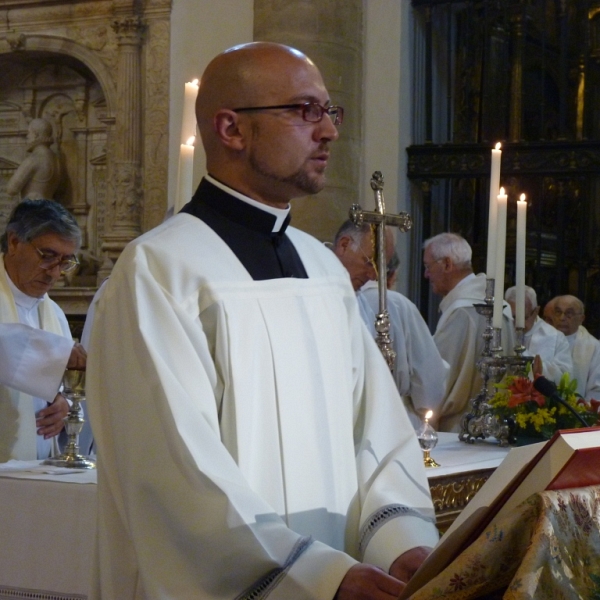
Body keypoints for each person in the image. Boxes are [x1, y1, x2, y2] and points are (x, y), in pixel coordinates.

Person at [86, 42, 439, 600]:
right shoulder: (160, 271)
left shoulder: (323, 265)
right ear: (231, 129)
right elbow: (175, 470)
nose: (329, 132)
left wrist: (400, 542)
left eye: (330, 111)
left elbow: (376, 432)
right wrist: (318, 577)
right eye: (305, 111)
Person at [333, 220, 448, 429]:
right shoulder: (310, 282)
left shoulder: (361, 300)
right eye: (370, 262)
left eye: (381, 267)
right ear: (344, 245)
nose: (374, 275)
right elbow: (429, 379)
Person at [0, 199, 82, 461]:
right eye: (47, 256)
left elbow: (62, 389)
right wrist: (57, 355)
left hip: (37, 470)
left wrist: (63, 405)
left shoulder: (54, 314)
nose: (55, 273)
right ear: (13, 242)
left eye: (65, 261)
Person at [423, 232, 515, 432]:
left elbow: (437, 376)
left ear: (447, 264)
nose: (426, 275)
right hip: (499, 426)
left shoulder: (462, 312)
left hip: (460, 428)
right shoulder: (502, 306)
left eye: (428, 266)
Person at [504, 285, 572, 382]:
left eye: (524, 317)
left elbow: (565, 374)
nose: (517, 324)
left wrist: (538, 368)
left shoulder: (556, 337)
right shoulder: (500, 332)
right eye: (513, 317)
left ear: (536, 311)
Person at [551, 295, 600, 400]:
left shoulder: (594, 347)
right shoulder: (544, 339)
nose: (562, 318)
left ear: (581, 318)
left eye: (569, 313)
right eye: (558, 312)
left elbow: (596, 388)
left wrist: (584, 413)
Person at [6, 118, 61, 201]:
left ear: (36, 135)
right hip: (49, 210)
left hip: (32, 210)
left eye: (29, 133)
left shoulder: (33, 159)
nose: (27, 136)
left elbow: (11, 189)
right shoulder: (56, 160)